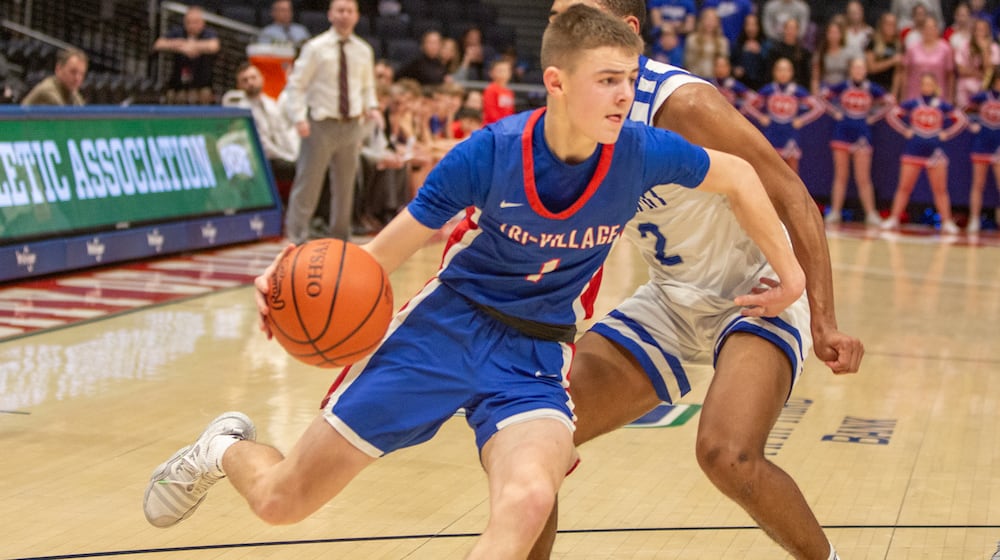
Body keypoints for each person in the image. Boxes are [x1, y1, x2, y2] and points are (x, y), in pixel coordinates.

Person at [141, 7, 806, 560]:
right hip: (442, 331)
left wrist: (793, 276)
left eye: (629, 80)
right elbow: (375, 258)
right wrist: (287, 281)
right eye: (607, 81)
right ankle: (222, 447)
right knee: (282, 500)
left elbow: (745, 177)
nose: (625, 96)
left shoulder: (638, 152)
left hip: (535, 356)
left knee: (526, 501)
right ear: (556, 81)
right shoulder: (486, 155)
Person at [529, 2, 864, 560]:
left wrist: (823, 317)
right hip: (670, 293)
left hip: (760, 286)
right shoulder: (571, 111)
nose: (553, 29)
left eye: (573, 16)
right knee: (535, 432)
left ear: (626, 34)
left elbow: (793, 195)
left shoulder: (681, 103)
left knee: (726, 454)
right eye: (552, 15)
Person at [282, 0, 380, 243]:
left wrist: (372, 106)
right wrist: (298, 117)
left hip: (351, 125)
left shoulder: (363, 50)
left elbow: (367, 86)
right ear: (330, 14)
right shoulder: (315, 47)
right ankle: (295, 238)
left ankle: (340, 239)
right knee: (308, 184)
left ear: (357, 16)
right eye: (340, 10)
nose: (345, 15)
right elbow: (296, 85)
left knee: (346, 188)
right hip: (320, 124)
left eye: (349, 11)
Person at [882, 72, 967, 233]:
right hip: (913, 150)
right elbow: (892, 115)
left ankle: (947, 221)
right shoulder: (913, 103)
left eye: (930, 84)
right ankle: (894, 217)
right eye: (924, 84)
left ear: (935, 86)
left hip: (935, 152)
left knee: (940, 189)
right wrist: (905, 130)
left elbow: (961, 119)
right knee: (904, 187)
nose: (926, 87)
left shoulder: (941, 105)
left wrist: (946, 133)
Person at [821, 57, 895, 225]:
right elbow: (822, 96)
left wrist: (873, 117)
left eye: (861, 68)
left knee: (863, 177)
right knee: (840, 176)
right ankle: (835, 212)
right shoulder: (843, 86)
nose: (858, 71)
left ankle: (871, 213)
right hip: (842, 133)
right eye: (855, 67)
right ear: (850, 70)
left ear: (865, 71)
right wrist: (836, 112)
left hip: (862, 134)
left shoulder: (871, 88)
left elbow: (890, 102)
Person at [745, 57, 825, 174]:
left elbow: (819, 108)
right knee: (770, 171)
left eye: (786, 70)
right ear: (774, 72)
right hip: (772, 132)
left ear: (791, 73)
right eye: (780, 70)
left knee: (792, 172)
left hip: (790, 134)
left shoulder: (797, 90)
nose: (783, 73)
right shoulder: (769, 89)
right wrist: (760, 117)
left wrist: (802, 120)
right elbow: (748, 105)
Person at [233, 62, 299, 191]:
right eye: (245, 80)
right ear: (239, 85)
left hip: (283, 155)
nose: (250, 83)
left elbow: (282, 133)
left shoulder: (271, 103)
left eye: (253, 78)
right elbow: (263, 145)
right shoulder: (241, 110)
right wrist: (289, 158)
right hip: (263, 161)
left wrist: (294, 155)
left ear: (262, 78)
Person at [153, 6, 220, 105]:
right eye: (189, 22)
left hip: (202, 83)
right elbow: (158, 44)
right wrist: (181, 46)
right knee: (172, 98)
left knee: (204, 98)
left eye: (195, 22)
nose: (192, 25)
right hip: (178, 84)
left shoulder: (208, 33)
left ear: (202, 22)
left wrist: (193, 46)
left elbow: (214, 46)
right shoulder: (178, 32)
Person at [961, 68, 1000, 233]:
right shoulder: (982, 96)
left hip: (998, 146)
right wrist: (971, 124)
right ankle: (974, 218)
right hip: (982, 144)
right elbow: (962, 109)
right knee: (978, 184)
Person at [900, 15, 955, 104]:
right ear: (922, 30)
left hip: (938, 96)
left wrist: (950, 98)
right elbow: (905, 73)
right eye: (926, 28)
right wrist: (903, 97)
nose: (929, 31)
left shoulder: (946, 48)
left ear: (937, 30)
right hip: (914, 95)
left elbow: (950, 75)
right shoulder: (912, 48)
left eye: (932, 28)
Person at [955, 17, 999, 107]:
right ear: (973, 31)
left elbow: (991, 71)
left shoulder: (994, 48)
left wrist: (984, 51)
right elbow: (960, 70)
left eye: (983, 29)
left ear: (988, 31)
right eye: (978, 29)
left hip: (985, 91)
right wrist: (977, 74)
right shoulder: (964, 45)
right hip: (965, 90)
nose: (980, 32)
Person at [811, 16, 862, 95]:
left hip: (844, 90)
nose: (833, 36)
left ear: (841, 35)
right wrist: (815, 94)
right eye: (831, 32)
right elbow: (815, 78)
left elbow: (853, 75)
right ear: (827, 34)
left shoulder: (848, 53)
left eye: (836, 33)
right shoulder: (820, 53)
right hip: (825, 90)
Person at [20, 48, 87, 107]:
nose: (77, 78)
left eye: (81, 74)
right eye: (73, 72)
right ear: (58, 69)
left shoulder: (73, 94)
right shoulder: (48, 92)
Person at [765, 18, 813, 89]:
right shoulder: (775, 50)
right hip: (777, 88)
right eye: (788, 28)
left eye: (793, 29)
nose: (790, 31)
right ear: (784, 30)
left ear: (797, 31)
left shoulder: (804, 52)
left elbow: (806, 76)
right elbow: (769, 73)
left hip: (797, 88)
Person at [866, 12, 903, 99]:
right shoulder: (873, 42)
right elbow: (871, 68)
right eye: (888, 23)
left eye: (893, 24)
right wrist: (891, 61)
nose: (891, 27)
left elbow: (898, 73)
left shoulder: (898, 45)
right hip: (873, 86)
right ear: (882, 25)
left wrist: (894, 93)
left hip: (889, 88)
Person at [684, 7, 729, 78]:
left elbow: (724, 66)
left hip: (715, 80)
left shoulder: (722, 42)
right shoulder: (692, 39)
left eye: (713, 20)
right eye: (707, 19)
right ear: (702, 21)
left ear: (717, 22)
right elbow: (688, 63)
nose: (710, 23)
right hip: (695, 78)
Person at [731, 12, 768, 90]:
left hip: (761, 85)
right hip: (740, 85)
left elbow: (770, 66)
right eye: (748, 25)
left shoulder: (766, 44)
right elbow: (731, 63)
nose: (751, 28)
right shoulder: (738, 44)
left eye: (754, 25)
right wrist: (735, 69)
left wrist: (760, 52)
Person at [482, 58, 516, 124]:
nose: (503, 73)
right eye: (500, 70)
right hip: (493, 126)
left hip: (507, 126)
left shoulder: (509, 92)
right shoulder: (490, 90)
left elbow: (511, 111)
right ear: (491, 73)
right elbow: (490, 112)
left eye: (505, 70)